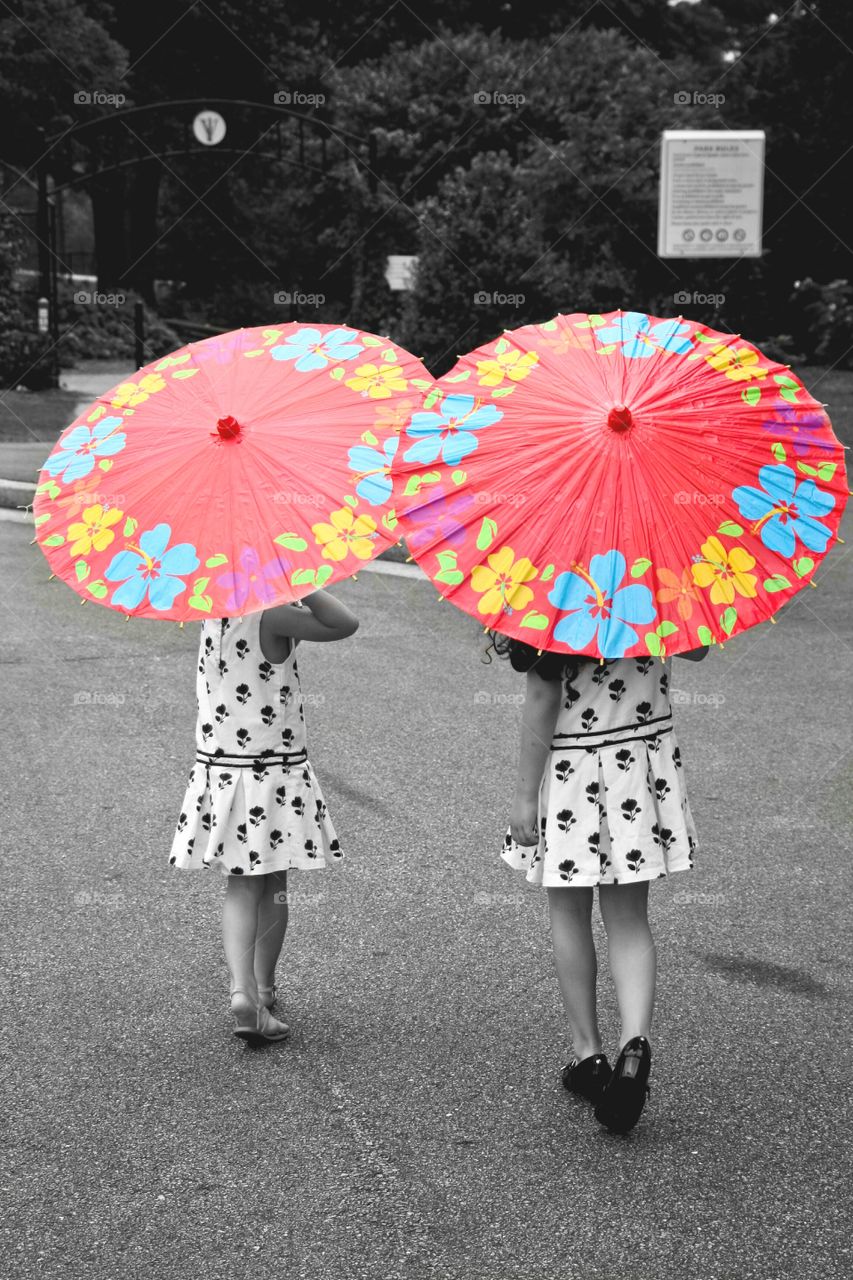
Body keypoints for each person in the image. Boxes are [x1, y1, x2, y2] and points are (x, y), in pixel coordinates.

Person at [493, 634, 708, 1133]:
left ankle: (588, 1056)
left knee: (568, 912)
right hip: (640, 763)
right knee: (630, 919)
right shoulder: (653, 586)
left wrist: (525, 796)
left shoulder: (556, 596)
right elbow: (695, 647)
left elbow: (543, 698)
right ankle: (634, 1045)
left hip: (573, 769)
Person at [169, 590, 358, 1044]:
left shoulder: (210, 610)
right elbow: (344, 623)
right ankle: (260, 990)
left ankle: (243, 991)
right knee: (274, 884)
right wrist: (305, 584)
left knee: (241, 883)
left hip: (222, 769)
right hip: (272, 772)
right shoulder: (275, 613)